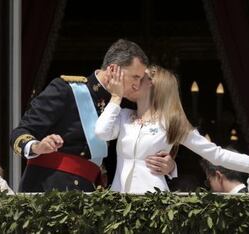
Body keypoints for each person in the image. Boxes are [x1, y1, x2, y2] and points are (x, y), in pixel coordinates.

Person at [10, 39, 176, 192]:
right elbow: (19, 134)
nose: (137, 85)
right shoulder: (67, 90)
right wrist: (37, 146)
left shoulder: (123, 106)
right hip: (49, 190)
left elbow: (138, 152)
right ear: (112, 69)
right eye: (135, 77)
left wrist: (169, 166)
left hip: (89, 193)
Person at [95, 65, 249, 193]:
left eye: (139, 78)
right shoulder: (123, 115)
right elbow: (102, 132)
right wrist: (116, 97)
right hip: (120, 201)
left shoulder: (171, 122)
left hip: (153, 203)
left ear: (152, 84)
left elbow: (216, 154)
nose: (134, 82)